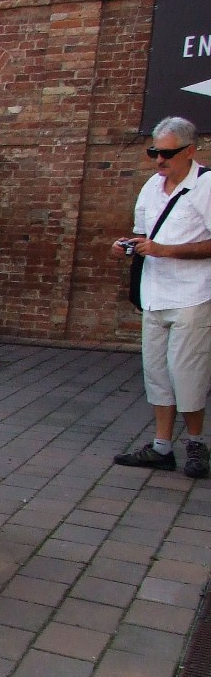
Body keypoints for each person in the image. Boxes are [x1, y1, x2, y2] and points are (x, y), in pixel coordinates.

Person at [111, 116, 211, 479]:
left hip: (192, 296)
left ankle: (197, 444)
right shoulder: (152, 186)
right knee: (156, 373)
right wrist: (127, 244)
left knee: (187, 372)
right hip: (154, 295)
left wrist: (165, 250)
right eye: (154, 151)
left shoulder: (207, 185)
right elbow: (142, 233)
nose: (158, 160)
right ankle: (161, 446)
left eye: (166, 153)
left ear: (189, 151)